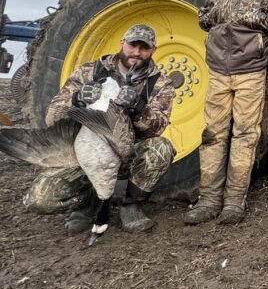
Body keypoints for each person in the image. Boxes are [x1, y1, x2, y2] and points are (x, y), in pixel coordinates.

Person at [24, 24, 176, 234]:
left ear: (153, 50)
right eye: (132, 45)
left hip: (126, 152)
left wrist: (137, 107)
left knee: (161, 149)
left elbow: (155, 129)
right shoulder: (89, 72)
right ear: (122, 44)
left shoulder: (160, 84)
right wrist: (77, 99)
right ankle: (87, 202)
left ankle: (130, 205)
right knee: (40, 199)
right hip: (84, 153)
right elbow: (52, 117)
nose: (137, 53)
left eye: (144, 48)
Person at [184, 0, 268, 226]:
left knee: (244, 134)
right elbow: (204, 20)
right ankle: (209, 200)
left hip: (250, 70)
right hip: (218, 70)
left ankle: (233, 200)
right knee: (213, 134)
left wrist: (251, 18)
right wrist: (215, 15)